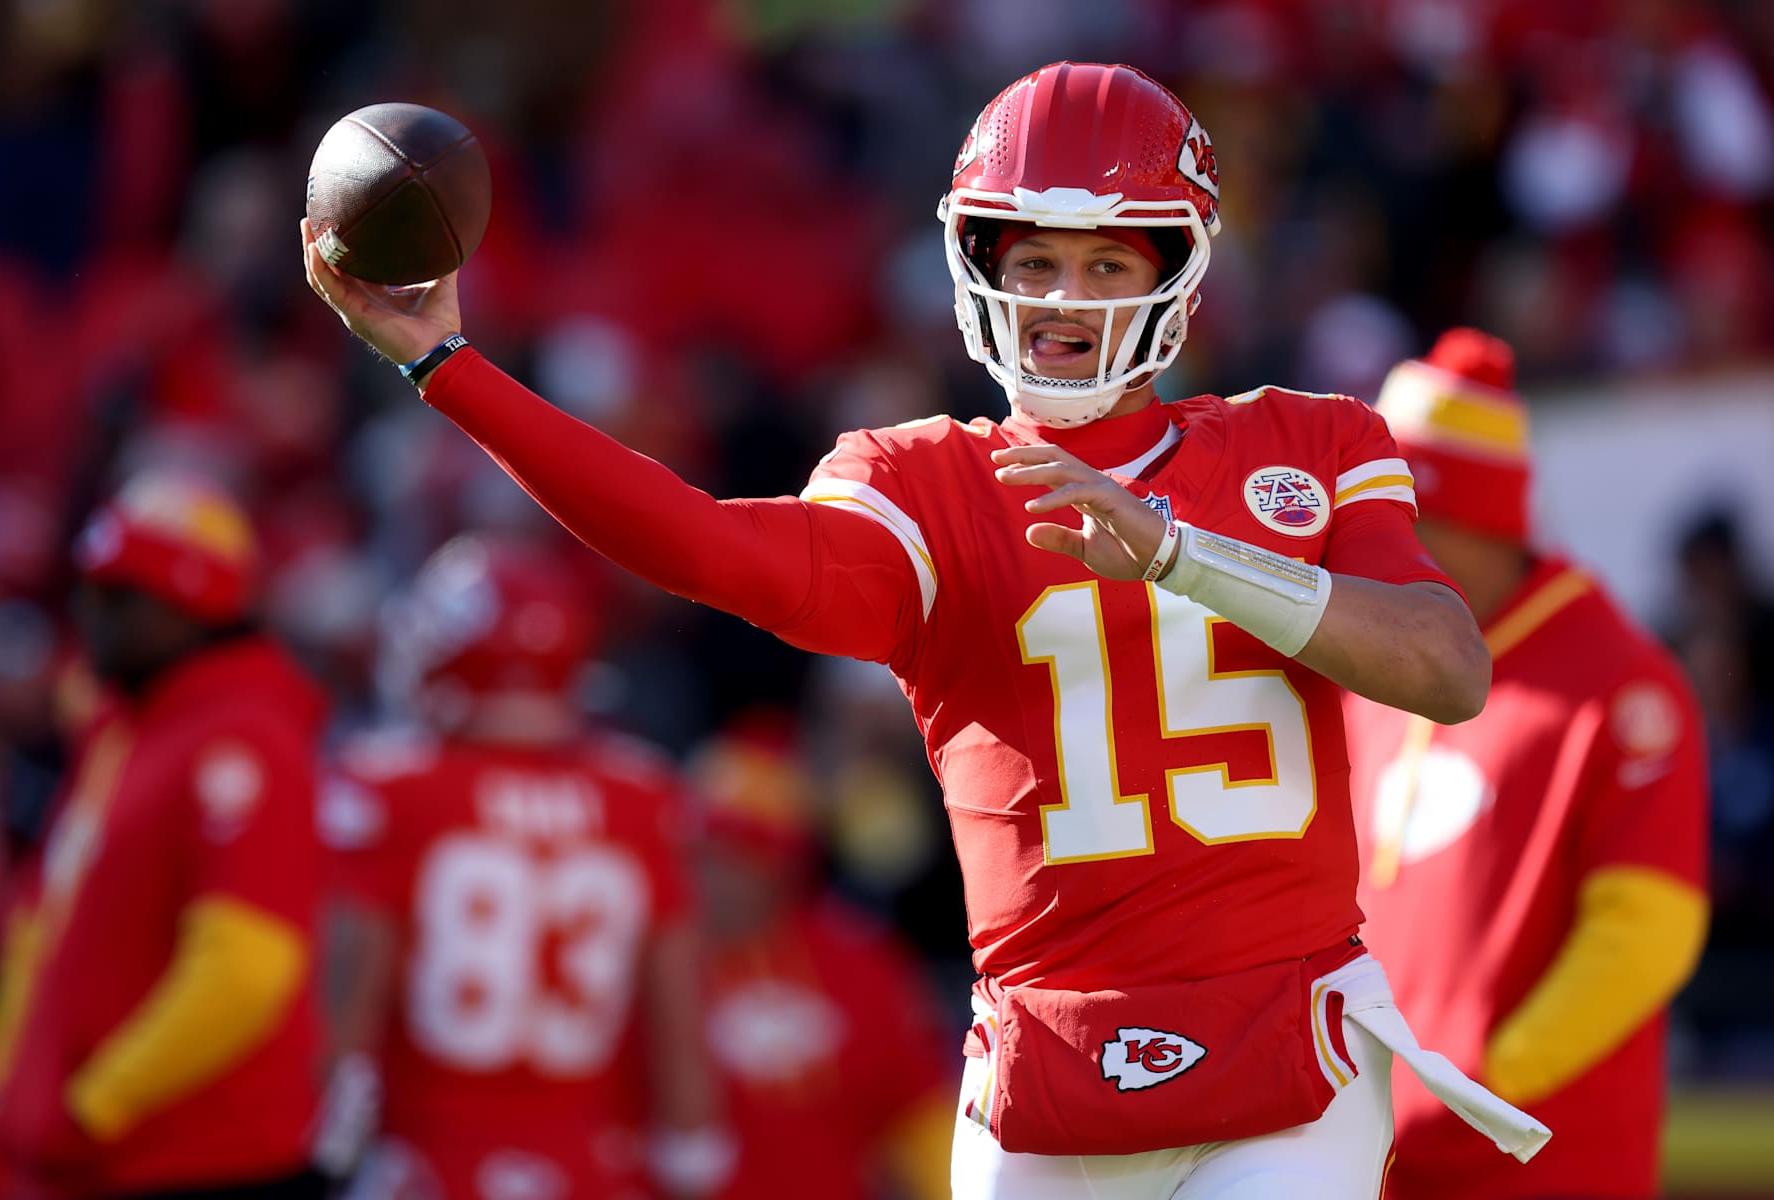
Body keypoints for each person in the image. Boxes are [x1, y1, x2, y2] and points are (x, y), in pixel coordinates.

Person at [305, 61, 1549, 1199]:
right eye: (1034, 260)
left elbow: (1444, 670)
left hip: (1287, 1060)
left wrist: (1178, 555)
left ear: (1174, 269)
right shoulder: (922, 481)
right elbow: (702, 544)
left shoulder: (1311, 440)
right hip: (1044, 1068)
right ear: (978, 267)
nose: (1065, 298)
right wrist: (448, 365)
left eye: (1108, 263)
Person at [1344, 328, 1710, 1200]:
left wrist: (1486, 1086)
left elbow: (1647, 932)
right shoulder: (1375, 666)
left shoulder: (1619, 682)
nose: (1376, 551)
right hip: (1373, 1159)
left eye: (1402, 523)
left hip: (1541, 1166)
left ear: (1470, 518)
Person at [319, 533, 729, 1200]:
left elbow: (348, 1000)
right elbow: (678, 1016)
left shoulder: (390, 788)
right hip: (590, 1167)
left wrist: (329, 1151)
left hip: (426, 1163)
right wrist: (692, 1153)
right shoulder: (640, 794)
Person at [0, 472, 329, 1199]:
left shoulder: (243, 736)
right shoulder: (130, 728)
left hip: (192, 1163)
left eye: (121, 598)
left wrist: (97, 1102)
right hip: (92, 1160)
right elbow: (45, 925)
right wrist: (9, 1079)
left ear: (190, 607)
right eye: (90, 592)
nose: (91, 617)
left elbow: (245, 965)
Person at [687, 716, 955, 1200]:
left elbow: (920, 1116)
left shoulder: (860, 964)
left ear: (792, 863)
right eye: (710, 851)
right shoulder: (655, 963)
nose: (722, 877)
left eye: (749, 855)